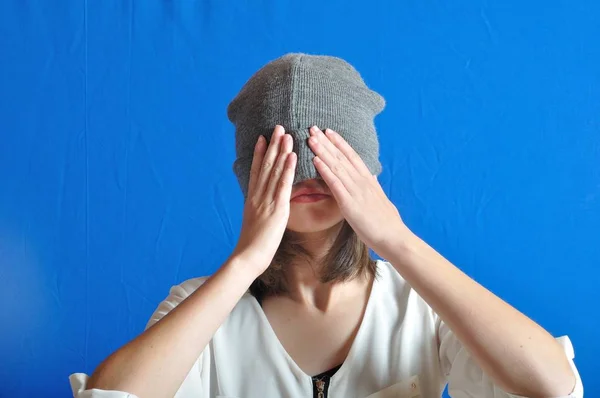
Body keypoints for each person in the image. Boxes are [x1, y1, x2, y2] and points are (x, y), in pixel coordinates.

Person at [69, 54, 583, 398]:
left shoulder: (420, 307)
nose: (309, 177)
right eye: (282, 161)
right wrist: (245, 260)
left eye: (333, 157)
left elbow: (552, 388)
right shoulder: (198, 307)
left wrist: (396, 240)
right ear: (251, 176)